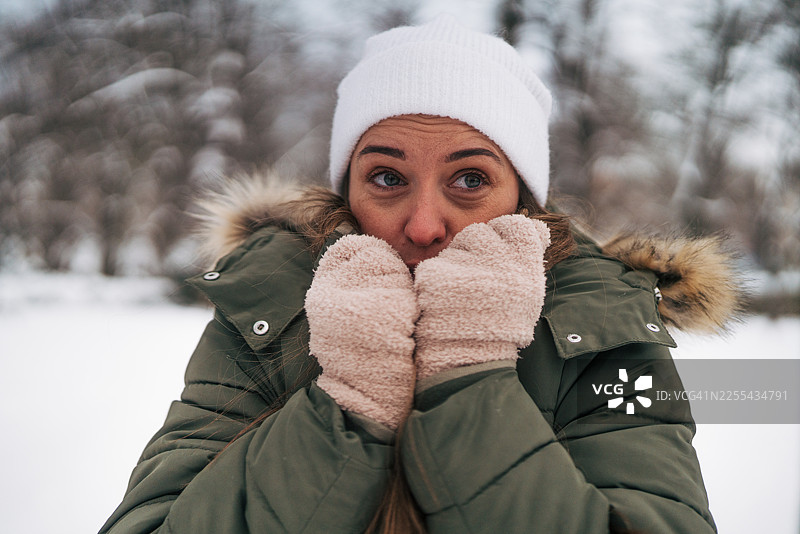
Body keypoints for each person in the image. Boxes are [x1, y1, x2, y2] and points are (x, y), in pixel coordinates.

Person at [100, 15, 739, 534]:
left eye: (469, 179)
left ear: (522, 199)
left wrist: (470, 376)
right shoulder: (268, 307)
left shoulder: (605, 326)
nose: (425, 225)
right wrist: (348, 403)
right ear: (347, 189)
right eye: (387, 177)